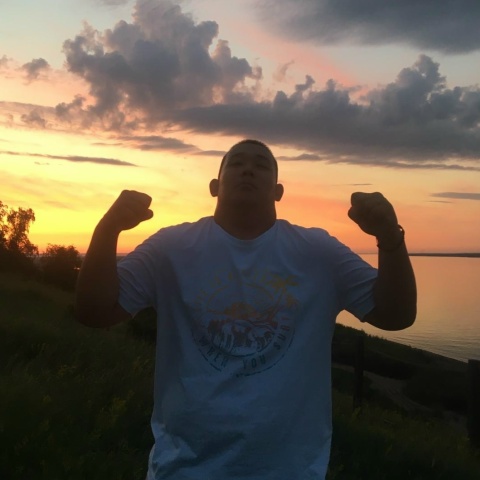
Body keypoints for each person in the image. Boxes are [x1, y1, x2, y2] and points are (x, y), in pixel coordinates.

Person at [75, 139, 416, 480]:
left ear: (278, 191)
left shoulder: (319, 252)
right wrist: (108, 228)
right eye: (236, 163)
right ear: (214, 186)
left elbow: (396, 315)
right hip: (182, 470)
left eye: (261, 165)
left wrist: (389, 237)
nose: (248, 169)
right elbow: (96, 312)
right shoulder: (170, 248)